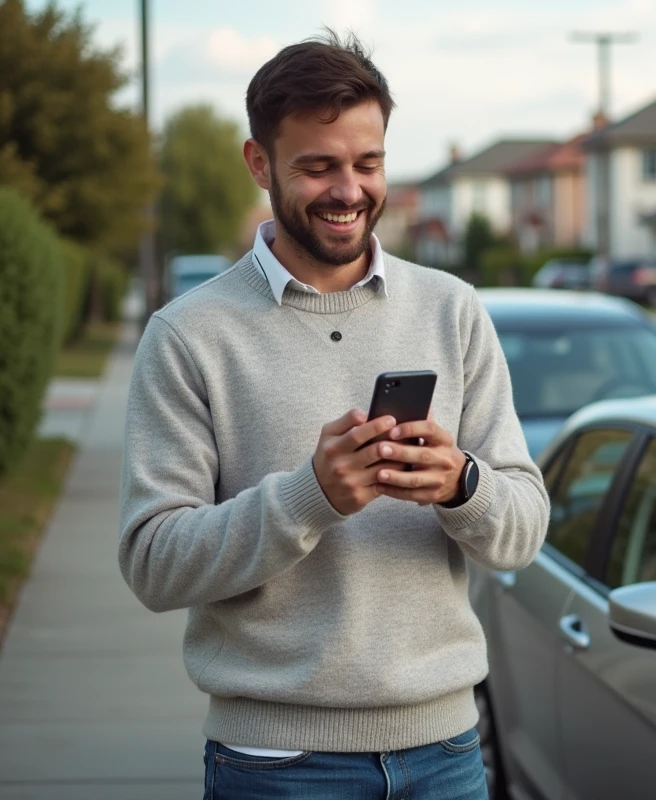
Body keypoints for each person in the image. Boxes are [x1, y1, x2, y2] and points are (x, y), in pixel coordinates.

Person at [117, 30, 549, 798]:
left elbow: (522, 529)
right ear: (260, 164)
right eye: (318, 167)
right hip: (275, 765)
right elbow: (154, 563)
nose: (349, 190)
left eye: (368, 163)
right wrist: (307, 498)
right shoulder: (188, 336)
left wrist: (461, 485)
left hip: (446, 751)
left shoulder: (452, 310)